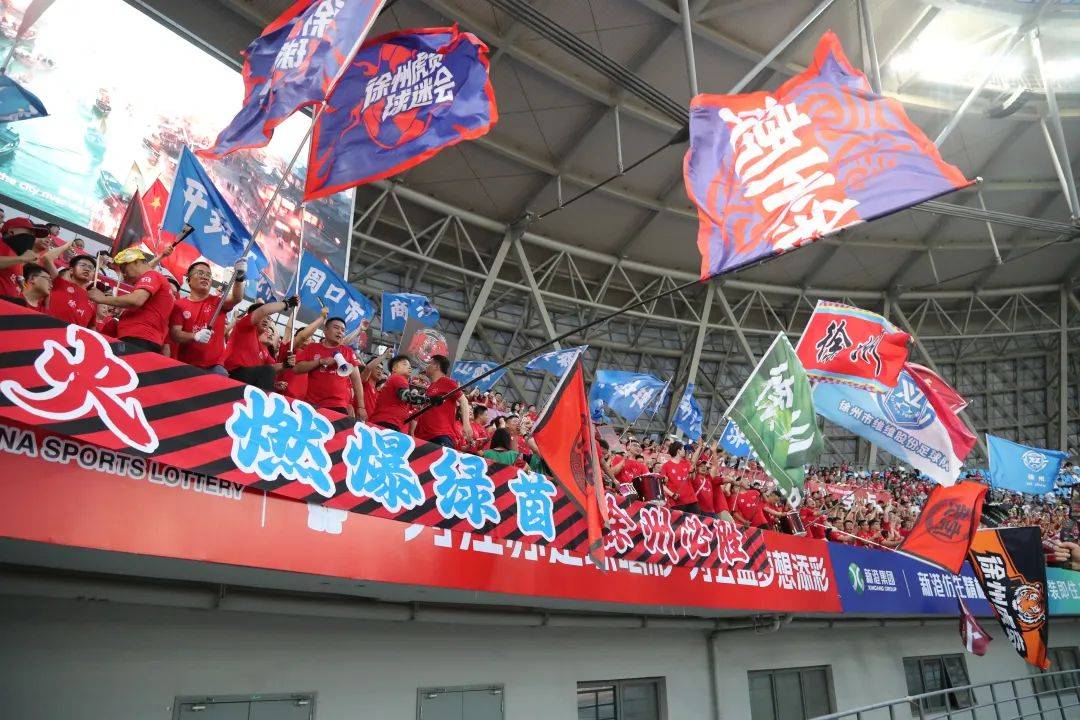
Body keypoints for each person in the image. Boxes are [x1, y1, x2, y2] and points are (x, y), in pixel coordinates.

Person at [88, 247, 175, 352]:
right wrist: (160, 257)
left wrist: (102, 298)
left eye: (124, 269)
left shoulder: (152, 275)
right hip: (140, 338)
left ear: (136, 262)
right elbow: (145, 268)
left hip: (138, 339)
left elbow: (136, 300)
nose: (123, 274)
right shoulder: (151, 276)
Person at [169, 258, 246, 375]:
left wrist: (239, 278)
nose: (205, 277)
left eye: (208, 275)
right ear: (189, 280)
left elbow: (236, 298)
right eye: (200, 273)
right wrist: (195, 336)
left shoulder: (218, 302)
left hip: (214, 367)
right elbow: (175, 334)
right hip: (186, 365)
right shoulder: (179, 305)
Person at [292, 316, 367, 420]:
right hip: (312, 404)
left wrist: (361, 407)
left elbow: (357, 381)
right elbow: (296, 369)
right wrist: (320, 362)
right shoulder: (312, 347)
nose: (340, 332)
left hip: (338, 406)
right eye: (336, 328)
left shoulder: (348, 352)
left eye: (343, 330)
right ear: (325, 330)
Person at [223, 297, 298, 390]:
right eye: (263, 316)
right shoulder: (244, 327)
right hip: (233, 375)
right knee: (267, 371)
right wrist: (287, 303)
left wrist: (285, 364)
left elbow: (273, 368)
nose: (266, 320)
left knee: (268, 372)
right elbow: (263, 310)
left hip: (248, 380)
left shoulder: (263, 348)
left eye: (268, 318)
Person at [413, 354, 473, 448]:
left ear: (436, 366)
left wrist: (466, 424)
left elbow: (463, 400)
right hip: (424, 436)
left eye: (429, 363)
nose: (426, 366)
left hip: (440, 435)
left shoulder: (447, 382)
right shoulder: (431, 387)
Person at [275, 307, 327, 398]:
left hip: (302, 402)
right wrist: (296, 309)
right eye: (305, 333)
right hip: (282, 396)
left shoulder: (314, 358)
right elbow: (289, 329)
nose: (307, 336)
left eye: (310, 335)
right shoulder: (289, 349)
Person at [368, 355, 422, 433]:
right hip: (388, 423)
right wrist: (426, 400)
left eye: (410, 366)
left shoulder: (393, 380)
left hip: (382, 422)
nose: (409, 367)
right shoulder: (398, 378)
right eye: (405, 364)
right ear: (394, 369)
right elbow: (406, 396)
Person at [0, 217, 50, 298]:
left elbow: (18, 281)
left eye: (33, 235)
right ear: (11, 232)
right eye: (29, 233)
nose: (31, 238)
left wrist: (24, 287)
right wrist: (22, 258)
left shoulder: (16, 256)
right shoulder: (2, 245)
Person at [45, 253, 97, 327]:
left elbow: (91, 328)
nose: (87, 269)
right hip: (48, 330)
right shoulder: (59, 283)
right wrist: (69, 246)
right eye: (83, 265)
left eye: (91, 267)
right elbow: (47, 258)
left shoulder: (92, 301)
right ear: (71, 270)